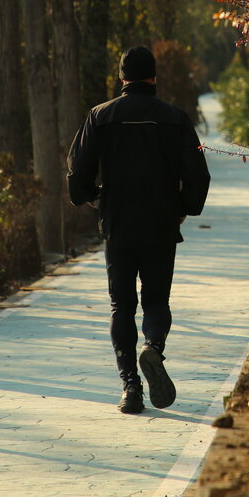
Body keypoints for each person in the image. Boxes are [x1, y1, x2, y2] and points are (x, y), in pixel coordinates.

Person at [66, 46, 211, 414]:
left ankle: (131, 387)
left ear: (121, 78)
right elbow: (197, 174)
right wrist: (183, 208)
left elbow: (77, 170)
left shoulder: (101, 116)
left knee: (122, 306)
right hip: (161, 223)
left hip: (118, 224)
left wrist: (92, 197)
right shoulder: (175, 118)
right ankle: (154, 348)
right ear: (154, 78)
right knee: (156, 302)